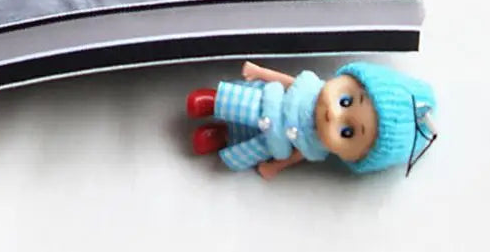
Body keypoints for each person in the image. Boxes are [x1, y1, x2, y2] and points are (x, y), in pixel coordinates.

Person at [186, 59, 437, 178]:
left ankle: (222, 136)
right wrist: (260, 72)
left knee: (244, 144)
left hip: (266, 143)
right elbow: (287, 81)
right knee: (237, 101)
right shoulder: (309, 89)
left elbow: (298, 155)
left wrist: (276, 166)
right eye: (345, 101)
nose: (334, 114)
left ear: (350, 157)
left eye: (347, 132)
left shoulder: (316, 146)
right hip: (264, 101)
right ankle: (213, 101)